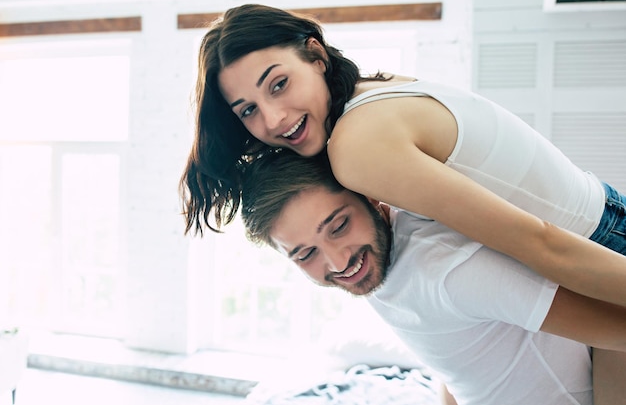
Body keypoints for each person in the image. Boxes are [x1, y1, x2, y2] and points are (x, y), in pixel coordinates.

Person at [179, 3, 626, 308]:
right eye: (249, 110)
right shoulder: (374, 88)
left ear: (315, 55)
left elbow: (541, 241)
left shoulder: (356, 147)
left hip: (597, 247)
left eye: (279, 84)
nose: (274, 119)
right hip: (601, 221)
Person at [239, 149, 626, 405]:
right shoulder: (379, 259)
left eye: (339, 226)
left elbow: (618, 326)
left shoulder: (453, 271)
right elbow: (456, 357)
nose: (338, 262)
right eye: (306, 253)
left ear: (372, 197)